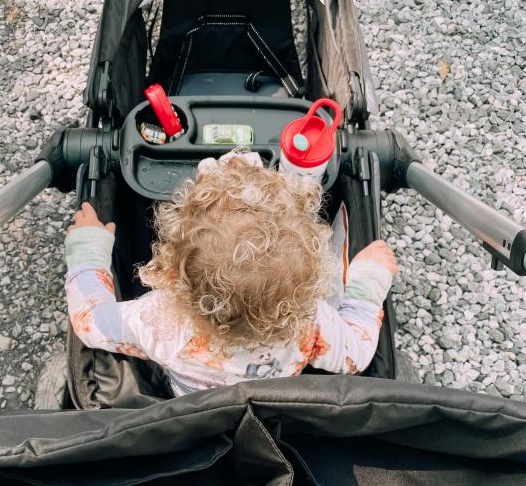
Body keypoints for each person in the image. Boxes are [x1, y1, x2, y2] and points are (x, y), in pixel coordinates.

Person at [65, 149, 398, 396]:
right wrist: (366, 286)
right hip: (267, 409)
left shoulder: (159, 321)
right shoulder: (310, 324)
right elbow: (355, 354)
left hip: (192, 411)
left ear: (174, 274)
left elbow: (90, 321)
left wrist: (89, 250)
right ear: (310, 285)